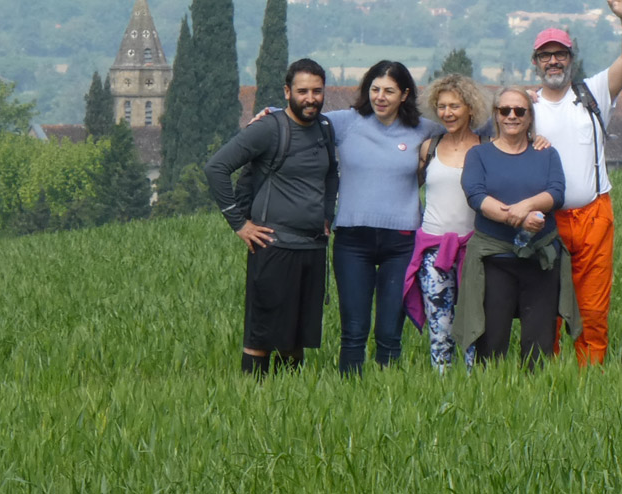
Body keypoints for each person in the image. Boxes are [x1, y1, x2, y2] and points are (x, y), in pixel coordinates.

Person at [526, 0, 622, 367]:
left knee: (592, 309)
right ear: (535, 62)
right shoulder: (523, 108)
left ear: (571, 58)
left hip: (594, 214)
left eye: (560, 54)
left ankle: (589, 379)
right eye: (546, 56)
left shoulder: (593, 93)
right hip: (546, 219)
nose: (553, 62)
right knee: (549, 308)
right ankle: (549, 381)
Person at [203, 58, 339, 375]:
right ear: (287, 91)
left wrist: (327, 214)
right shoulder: (268, 129)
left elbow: (332, 174)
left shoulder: (325, 129)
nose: (310, 98)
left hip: (313, 247)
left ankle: (287, 406)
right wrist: (239, 224)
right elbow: (216, 168)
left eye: (317, 91)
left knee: (296, 337)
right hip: (273, 248)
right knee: (261, 335)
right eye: (303, 91)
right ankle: (254, 402)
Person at [327, 60, 444, 374]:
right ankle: (349, 396)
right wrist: (269, 112)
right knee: (353, 330)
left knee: (390, 333)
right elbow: (302, 118)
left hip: (402, 243)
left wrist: (534, 134)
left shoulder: (424, 128)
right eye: (375, 89)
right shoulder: (346, 122)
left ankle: (386, 393)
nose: (380, 96)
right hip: (353, 240)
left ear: (404, 94)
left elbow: (473, 126)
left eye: (389, 91)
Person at [459, 88, 577, 366]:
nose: (512, 116)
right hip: (495, 260)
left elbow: (556, 193)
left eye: (519, 111)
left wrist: (527, 206)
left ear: (529, 117)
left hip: (540, 261)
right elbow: (476, 196)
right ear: (496, 116)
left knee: (539, 346)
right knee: (491, 344)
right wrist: (522, 218)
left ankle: (534, 402)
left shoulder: (546, 154)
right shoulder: (479, 155)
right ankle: (489, 399)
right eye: (505, 110)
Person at [402, 75, 489, 370]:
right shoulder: (429, 147)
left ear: (470, 108)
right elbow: (408, 186)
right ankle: (441, 391)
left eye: (454, 106)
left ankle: (473, 390)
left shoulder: (486, 147)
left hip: (474, 250)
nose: (447, 113)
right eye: (441, 107)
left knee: (473, 328)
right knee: (440, 330)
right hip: (433, 252)